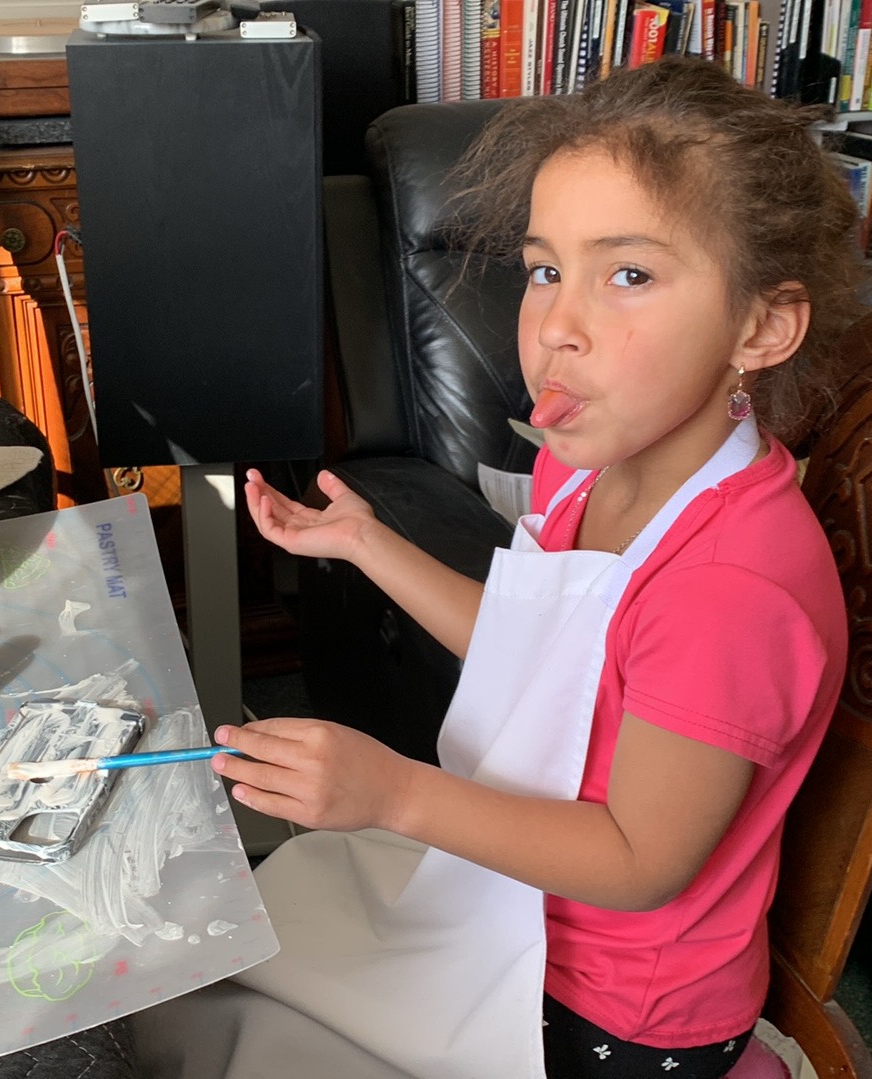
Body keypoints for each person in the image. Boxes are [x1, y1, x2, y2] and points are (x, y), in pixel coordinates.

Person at [134, 57, 863, 1079]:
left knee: (207, 1016)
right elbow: (543, 656)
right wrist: (366, 542)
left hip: (613, 1009)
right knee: (192, 955)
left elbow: (638, 860)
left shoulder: (727, 585)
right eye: (543, 269)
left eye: (628, 274)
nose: (554, 327)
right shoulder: (584, 470)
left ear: (761, 326)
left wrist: (394, 793)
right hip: (507, 902)